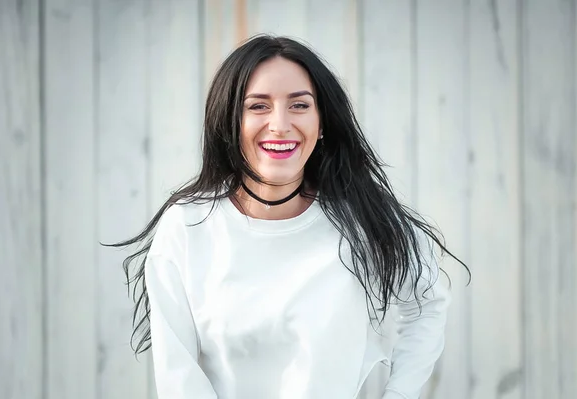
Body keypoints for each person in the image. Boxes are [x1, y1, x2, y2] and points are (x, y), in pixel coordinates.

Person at [109, 34, 468, 399]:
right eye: (258, 106)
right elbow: (178, 375)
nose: (280, 125)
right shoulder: (187, 227)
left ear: (322, 121)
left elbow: (426, 304)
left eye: (299, 105)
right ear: (230, 120)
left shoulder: (362, 221)